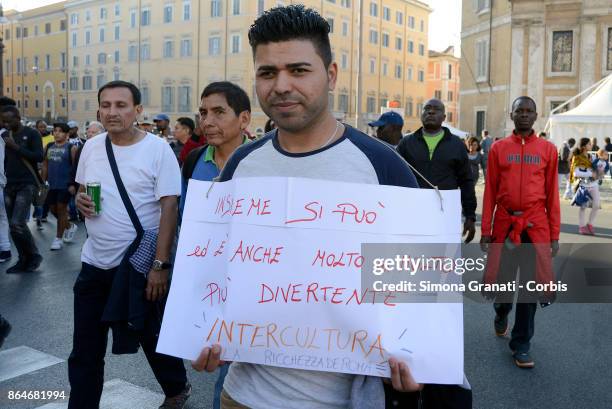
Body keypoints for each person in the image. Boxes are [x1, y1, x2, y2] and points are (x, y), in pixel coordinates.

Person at [190, 5, 425, 409]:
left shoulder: (383, 166)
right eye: (267, 73)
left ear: (330, 75)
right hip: (241, 396)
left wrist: (417, 355)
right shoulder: (242, 166)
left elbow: (418, 289)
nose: (281, 85)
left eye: (298, 70)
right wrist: (204, 333)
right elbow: (214, 272)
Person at [69, 81, 191, 409]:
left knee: (151, 336)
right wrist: (80, 202)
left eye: (121, 105)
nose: (112, 112)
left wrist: (160, 265)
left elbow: (169, 207)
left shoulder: (157, 149)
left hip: (138, 264)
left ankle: (176, 387)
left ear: (137, 110)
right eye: (105, 105)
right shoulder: (91, 148)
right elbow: (81, 190)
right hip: (94, 264)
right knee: (85, 351)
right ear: (98, 110)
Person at [180, 81, 252, 409]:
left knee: (236, 374)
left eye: (219, 112)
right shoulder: (195, 159)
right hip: (208, 284)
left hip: (253, 286)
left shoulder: (264, 160)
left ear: (244, 119)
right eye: (203, 112)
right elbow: (183, 217)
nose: (207, 121)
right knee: (215, 358)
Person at [480, 96, 560, 369]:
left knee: (528, 290)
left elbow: (552, 197)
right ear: (511, 114)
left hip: (534, 228)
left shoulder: (548, 150)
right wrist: (486, 230)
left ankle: (522, 344)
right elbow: (490, 190)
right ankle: (501, 312)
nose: (524, 115)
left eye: (529, 111)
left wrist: (554, 235)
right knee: (503, 285)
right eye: (519, 111)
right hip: (504, 227)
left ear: (536, 115)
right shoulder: (498, 149)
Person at [397, 99, 477, 244]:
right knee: (412, 262)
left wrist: (470, 216)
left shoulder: (457, 145)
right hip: (412, 216)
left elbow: (466, 181)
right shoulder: (406, 144)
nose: (431, 111)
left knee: (441, 261)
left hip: (445, 216)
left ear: (444, 117)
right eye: (427, 108)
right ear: (421, 114)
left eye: (436, 109)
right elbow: (394, 179)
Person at [1, 105, 43, 274]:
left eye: (8, 121)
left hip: (27, 184)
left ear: (18, 118)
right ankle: (23, 259)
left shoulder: (32, 133)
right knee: (13, 226)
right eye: (3, 121)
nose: (5, 124)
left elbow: (39, 156)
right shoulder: (4, 135)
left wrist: (16, 147)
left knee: (17, 222)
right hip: (9, 184)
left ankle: (34, 256)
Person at [41, 123, 78, 250]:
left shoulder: (71, 148)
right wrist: (42, 182)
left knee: (61, 209)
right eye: (55, 131)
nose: (56, 133)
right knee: (53, 210)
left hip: (66, 185)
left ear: (67, 134)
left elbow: (75, 167)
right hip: (51, 185)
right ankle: (68, 226)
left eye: (60, 131)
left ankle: (58, 239)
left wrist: (73, 184)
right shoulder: (49, 146)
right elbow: (45, 165)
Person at [570, 138, 600, 235]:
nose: (591, 145)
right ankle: (582, 227)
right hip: (583, 185)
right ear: (583, 146)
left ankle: (590, 224)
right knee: (583, 207)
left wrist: (600, 170)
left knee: (596, 205)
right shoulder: (577, 157)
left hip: (594, 184)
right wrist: (590, 174)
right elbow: (575, 173)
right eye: (589, 144)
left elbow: (597, 169)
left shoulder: (592, 157)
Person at [0, 96, 16, 263]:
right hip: (5, 181)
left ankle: (5, 248)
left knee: (3, 216)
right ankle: (4, 248)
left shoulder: (6, 134)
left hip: (4, 182)